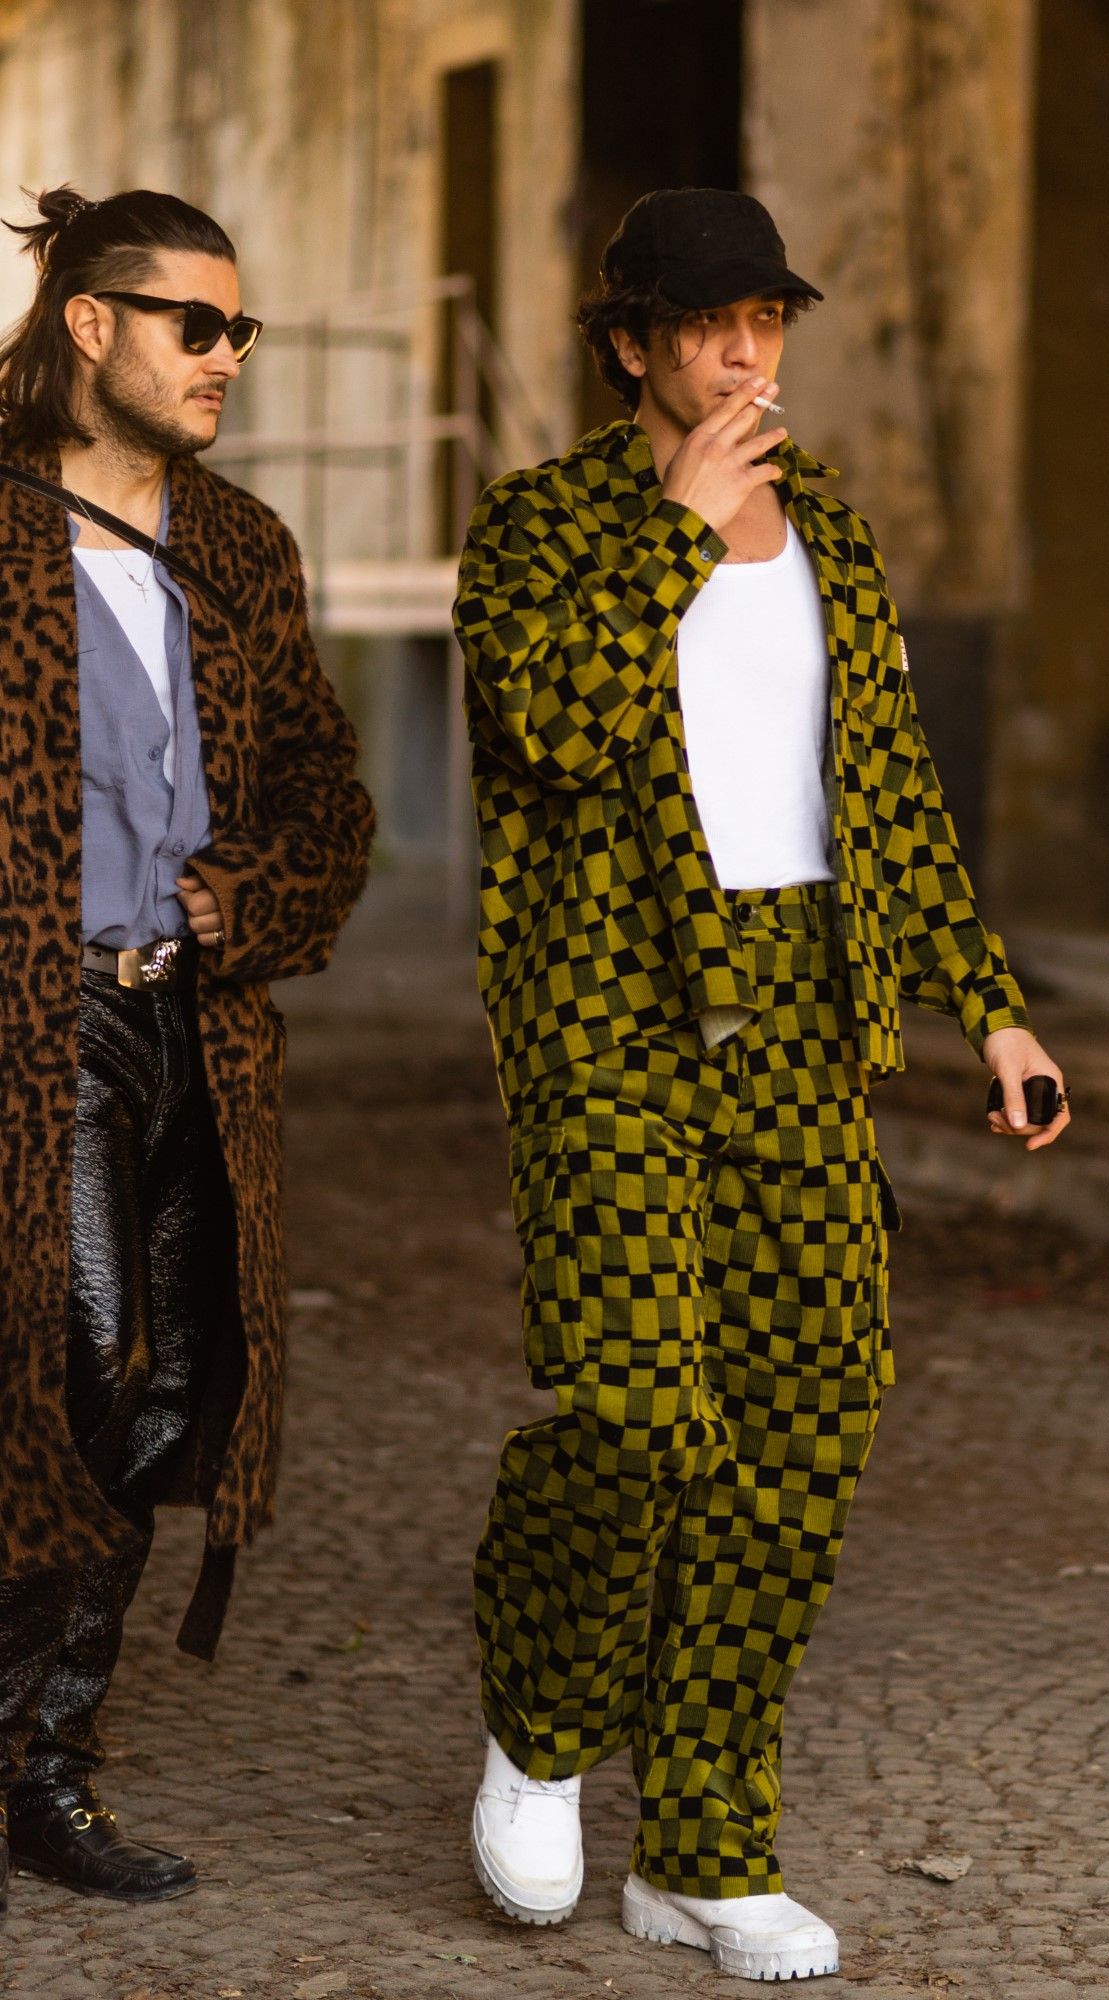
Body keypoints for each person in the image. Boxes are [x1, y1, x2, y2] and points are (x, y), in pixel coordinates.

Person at [454, 186, 1068, 1982]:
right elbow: (547, 729)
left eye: (766, 323)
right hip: (611, 1019)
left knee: (805, 1426)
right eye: (708, 325)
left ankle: (704, 1847)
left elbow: (890, 795)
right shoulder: (543, 525)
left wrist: (993, 1008)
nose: (743, 355)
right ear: (630, 345)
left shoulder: (839, 543)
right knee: (639, 1411)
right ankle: (542, 1724)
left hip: (807, 1017)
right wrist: (675, 530)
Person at [0, 186, 373, 1915]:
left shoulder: (240, 548)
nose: (228, 355)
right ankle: (27, 1754)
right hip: (33, 1029)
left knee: (162, 1406)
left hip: (194, 1031)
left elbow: (328, 794)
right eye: (194, 325)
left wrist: (258, 894)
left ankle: (45, 1760)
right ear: (91, 325)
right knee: (79, 1366)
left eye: (242, 329)